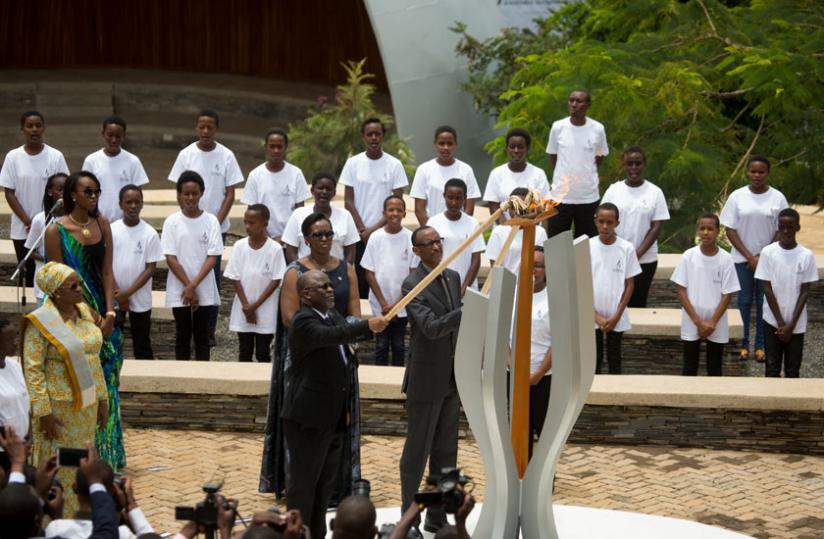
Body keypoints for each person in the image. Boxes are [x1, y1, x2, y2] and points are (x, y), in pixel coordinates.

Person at [259, 213, 361, 500]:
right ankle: (299, 486)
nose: (325, 239)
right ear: (306, 240)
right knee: (308, 423)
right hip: (306, 359)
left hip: (339, 354)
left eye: (329, 233)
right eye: (319, 235)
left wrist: (350, 333)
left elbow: (354, 312)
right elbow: (290, 318)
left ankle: (337, 488)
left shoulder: (346, 269)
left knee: (339, 421)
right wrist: (327, 333)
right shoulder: (295, 271)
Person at [282, 270, 387, 539]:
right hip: (308, 417)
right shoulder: (304, 321)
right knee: (304, 486)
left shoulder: (331, 315)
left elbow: (343, 342)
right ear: (306, 294)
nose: (330, 290)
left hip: (332, 415)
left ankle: (315, 534)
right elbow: (333, 336)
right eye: (322, 287)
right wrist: (367, 326)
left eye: (330, 285)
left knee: (324, 487)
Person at [44, 172, 124, 471]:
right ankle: (83, 451)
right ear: (72, 195)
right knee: (83, 384)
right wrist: (90, 317)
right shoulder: (56, 232)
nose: (93, 196)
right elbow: (60, 281)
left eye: (97, 191)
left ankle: (109, 455)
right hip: (73, 318)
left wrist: (110, 313)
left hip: (107, 316)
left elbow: (106, 271)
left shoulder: (102, 224)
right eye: (88, 191)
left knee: (109, 382)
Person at [21, 262, 109, 515]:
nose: (80, 289)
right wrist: (43, 412)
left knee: (83, 464)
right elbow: (33, 370)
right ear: (56, 291)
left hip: (86, 407)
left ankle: (81, 516)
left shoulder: (83, 311)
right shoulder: (42, 323)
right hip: (57, 412)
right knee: (61, 465)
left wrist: (102, 399)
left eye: (79, 283)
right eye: (73, 286)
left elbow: (94, 361)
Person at [399, 226, 463, 536]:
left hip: (452, 378)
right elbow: (431, 327)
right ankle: (407, 520)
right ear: (417, 251)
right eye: (429, 243)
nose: (437, 247)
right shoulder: (412, 284)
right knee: (416, 454)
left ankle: (437, 518)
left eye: (439, 241)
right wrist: (465, 312)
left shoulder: (452, 277)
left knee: (445, 454)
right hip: (425, 380)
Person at [168, 109, 245, 346]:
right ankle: (185, 324)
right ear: (196, 128)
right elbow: (179, 189)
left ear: (216, 129)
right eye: (201, 127)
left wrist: (216, 222)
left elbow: (230, 193)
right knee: (188, 268)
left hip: (215, 226)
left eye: (210, 127)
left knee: (211, 276)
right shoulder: (186, 154)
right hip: (190, 223)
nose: (205, 131)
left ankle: (208, 328)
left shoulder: (226, 155)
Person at [720, 155, 788, 362]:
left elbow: (781, 228)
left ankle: (761, 346)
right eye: (753, 171)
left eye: (761, 172)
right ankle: (743, 344)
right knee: (743, 302)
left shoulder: (777, 198)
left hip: (768, 261)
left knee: (763, 303)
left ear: (768, 173)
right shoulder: (737, 196)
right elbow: (730, 229)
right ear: (747, 172)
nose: (757, 175)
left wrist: (762, 256)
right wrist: (750, 257)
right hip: (741, 260)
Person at [340, 117, 409, 298]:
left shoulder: (394, 164)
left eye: (377, 134)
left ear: (383, 136)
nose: (373, 138)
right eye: (369, 134)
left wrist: (374, 229)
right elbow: (348, 201)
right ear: (363, 136)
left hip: (386, 231)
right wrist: (363, 230)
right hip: (358, 235)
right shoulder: (353, 163)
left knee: (384, 275)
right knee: (362, 278)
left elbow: (397, 201)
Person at [1, 111, 69, 289]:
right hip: (22, 227)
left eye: (38, 125)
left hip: (52, 225)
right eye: (29, 126)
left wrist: (46, 221)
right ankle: (31, 314)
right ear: (22, 129)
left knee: (54, 269)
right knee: (28, 273)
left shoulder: (55, 156)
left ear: (43, 128)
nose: (34, 129)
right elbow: (9, 192)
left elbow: (65, 189)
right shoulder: (13, 157)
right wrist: (27, 221)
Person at [161, 171, 223, 361]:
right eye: (186, 193)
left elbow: (212, 257)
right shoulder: (172, 221)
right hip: (179, 288)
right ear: (179, 194)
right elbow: (171, 257)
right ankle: (181, 377)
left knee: (202, 337)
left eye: (194, 193)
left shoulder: (211, 221)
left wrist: (193, 286)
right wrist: (187, 287)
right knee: (182, 335)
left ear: (202, 193)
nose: (190, 198)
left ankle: (203, 378)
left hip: (203, 287)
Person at [671, 214, 740, 376]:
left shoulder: (726, 259)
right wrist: (697, 321)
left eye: (710, 229)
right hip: (692, 319)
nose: (706, 232)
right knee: (689, 366)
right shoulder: (689, 256)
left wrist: (712, 322)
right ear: (698, 231)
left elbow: (728, 293)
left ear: (717, 231)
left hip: (717, 320)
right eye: (702, 228)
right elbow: (681, 290)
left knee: (715, 367)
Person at [601, 146, 670, 307]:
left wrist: (635, 255)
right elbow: (604, 221)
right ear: (624, 165)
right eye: (629, 163)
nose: (633, 168)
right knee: (613, 303)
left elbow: (656, 227)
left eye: (637, 163)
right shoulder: (613, 190)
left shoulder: (655, 192)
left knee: (638, 303)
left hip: (644, 260)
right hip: (614, 257)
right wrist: (621, 252)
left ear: (644, 165)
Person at [755, 208, 819, 378]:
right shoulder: (768, 253)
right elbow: (767, 288)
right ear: (778, 227)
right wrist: (781, 323)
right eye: (782, 227)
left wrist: (790, 325)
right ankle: (772, 404)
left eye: (790, 227)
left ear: (797, 227)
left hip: (796, 324)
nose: (785, 231)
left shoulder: (806, 256)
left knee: (793, 369)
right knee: (772, 368)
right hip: (772, 321)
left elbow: (805, 292)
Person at [224, 204, 286, 362]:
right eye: (245, 222)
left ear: (265, 224)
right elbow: (235, 278)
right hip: (243, 309)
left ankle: (264, 385)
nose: (247, 226)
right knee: (244, 350)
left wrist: (254, 306)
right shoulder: (239, 246)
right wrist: (247, 307)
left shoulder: (275, 249)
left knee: (263, 352)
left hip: (264, 310)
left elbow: (276, 280)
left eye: (252, 223)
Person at [360, 195, 417, 366]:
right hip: (380, 304)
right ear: (384, 213)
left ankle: (398, 380)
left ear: (405, 214)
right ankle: (380, 375)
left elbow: (413, 274)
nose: (395, 213)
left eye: (399, 210)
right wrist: (384, 304)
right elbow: (369, 272)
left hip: (403, 303)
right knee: (382, 345)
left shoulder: (410, 237)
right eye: (391, 210)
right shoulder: (376, 237)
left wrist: (398, 304)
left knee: (399, 345)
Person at [545, 90, 608, 239]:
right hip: (560, 197)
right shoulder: (558, 127)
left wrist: (585, 173)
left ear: (588, 105)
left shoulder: (597, 129)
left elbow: (600, 157)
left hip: (588, 197)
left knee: (586, 245)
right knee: (557, 244)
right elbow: (553, 155)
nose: (573, 104)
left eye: (578, 101)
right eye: (571, 100)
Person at [111, 185, 163, 360]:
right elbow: (106, 264)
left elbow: (150, 269)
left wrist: (128, 293)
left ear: (142, 205)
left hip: (140, 296)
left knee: (142, 341)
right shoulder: (111, 230)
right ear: (120, 204)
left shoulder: (150, 233)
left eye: (137, 202)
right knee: (112, 339)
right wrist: (118, 293)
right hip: (114, 295)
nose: (133, 206)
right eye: (128, 202)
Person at [590, 203, 641, 375]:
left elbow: (630, 284)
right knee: (593, 358)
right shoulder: (586, 247)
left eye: (609, 222)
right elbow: (579, 283)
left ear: (617, 224)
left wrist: (617, 315)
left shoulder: (626, 248)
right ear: (595, 221)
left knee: (614, 356)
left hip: (616, 313)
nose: (605, 226)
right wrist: (594, 315)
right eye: (601, 221)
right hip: (591, 314)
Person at [45, 462, 154, 539]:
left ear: (74, 487)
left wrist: (56, 517)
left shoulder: (55, 528)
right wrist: (130, 504)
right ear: (113, 490)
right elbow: (151, 537)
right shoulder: (122, 534)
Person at [241, 127, 311, 243]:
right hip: (262, 240)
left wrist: (286, 238)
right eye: (272, 146)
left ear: (285, 148)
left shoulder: (296, 174)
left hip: (291, 241)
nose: (276, 150)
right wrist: (269, 239)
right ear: (266, 148)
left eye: (279, 147)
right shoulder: (255, 175)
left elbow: (300, 212)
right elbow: (251, 214)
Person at [81, 116, 150, 223]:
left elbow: (137, 194)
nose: (114, 140)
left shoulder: (133, 161)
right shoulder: (91, 161)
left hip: (124, 223)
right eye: (110, 135)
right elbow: (86, 192)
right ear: (103, 134)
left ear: (124, 136)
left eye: (118, 136)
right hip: (97, 221)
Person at [282, 172, 359, 263]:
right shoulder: (298, 214)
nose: (324, 192)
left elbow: (350, 253)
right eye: (320, 188)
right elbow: (290, 252)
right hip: (305, 275)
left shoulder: (345, 216)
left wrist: (341, 273)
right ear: (312, 190)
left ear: (334, 193)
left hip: (336, 274)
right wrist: (302, 273)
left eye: (328, 189)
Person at [410, 125, 481, 225]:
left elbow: (469, 209)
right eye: (441, 143)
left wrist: (460, 228)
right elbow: (419, 210)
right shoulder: (423, 170)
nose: (446, 147)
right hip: (432, 235)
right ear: (435, 144)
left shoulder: (466, 170)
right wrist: (431, 234)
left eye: (450, 144)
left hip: (459, 232)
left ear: (456, 145)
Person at [427, 179, 485, 296]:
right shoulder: (433, 223)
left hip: (467, 290)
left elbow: (476, 260)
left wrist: (464, 288)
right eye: (450, 197)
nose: (454, 202)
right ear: (444, 196)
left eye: (458, 198)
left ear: (465, 199)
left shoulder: (473, 224)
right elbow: (428, 258)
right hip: (441, 290)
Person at [483, 128, 550, 223]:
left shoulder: (538, 174)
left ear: (527, 149)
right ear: (506, 149)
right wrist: (506, 227)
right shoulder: (496, 174)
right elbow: (494, 207)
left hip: (532, 230)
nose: (516, 150)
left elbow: (544, 205)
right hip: (505, 231)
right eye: (512, 146)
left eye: (521, 147)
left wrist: (529, 221)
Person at [524, 247, 552, 456]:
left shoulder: (552, 298)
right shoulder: (514, 295)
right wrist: (513, 367)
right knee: (519, 431)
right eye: (530, 264)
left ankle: (543, 480)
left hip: (544, 377)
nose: (534, 270)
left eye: (539, 266)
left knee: (544, 430)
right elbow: (505, 336)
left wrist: (538, 374)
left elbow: (558, 343)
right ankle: (520, 478)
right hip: (515, 377)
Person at [25, 172, 67, 305]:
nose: (64, 193)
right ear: (50, 192)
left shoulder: (76, 219)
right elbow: (30, 250)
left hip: (69, 284)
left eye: (68, 189)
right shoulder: (40, 219)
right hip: (45, 283)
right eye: (60, 189)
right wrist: (48, 260)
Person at [485, 187, 548, 276]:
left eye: (523, 208)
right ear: (510, 210)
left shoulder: (539, 232)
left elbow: (541, 264)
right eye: (515, 207)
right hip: (506, 285)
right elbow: (495, 268)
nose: (519, 212)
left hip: (530, 286)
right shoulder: (499, 231)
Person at [0, 320, 29, 445]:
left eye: (16, 335)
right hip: (4, 450)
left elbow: (25, 406)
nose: (16, 342)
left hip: (22, 445)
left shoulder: (15, 366)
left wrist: (29, 439)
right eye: (9, 339)